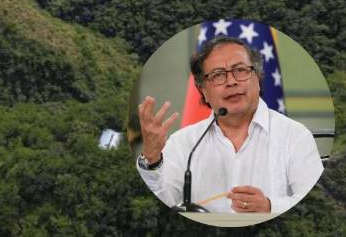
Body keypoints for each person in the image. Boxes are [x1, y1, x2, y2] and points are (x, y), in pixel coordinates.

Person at [136, 36, 323, 214]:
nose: (231, 82)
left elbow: (314, 205)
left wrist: (270, 206)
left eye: (240, 70)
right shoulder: (183, 142)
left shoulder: (295, 136)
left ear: (257, 77)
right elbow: (164, 203)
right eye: (218, 75)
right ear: (203, 90)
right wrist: (152, 158)